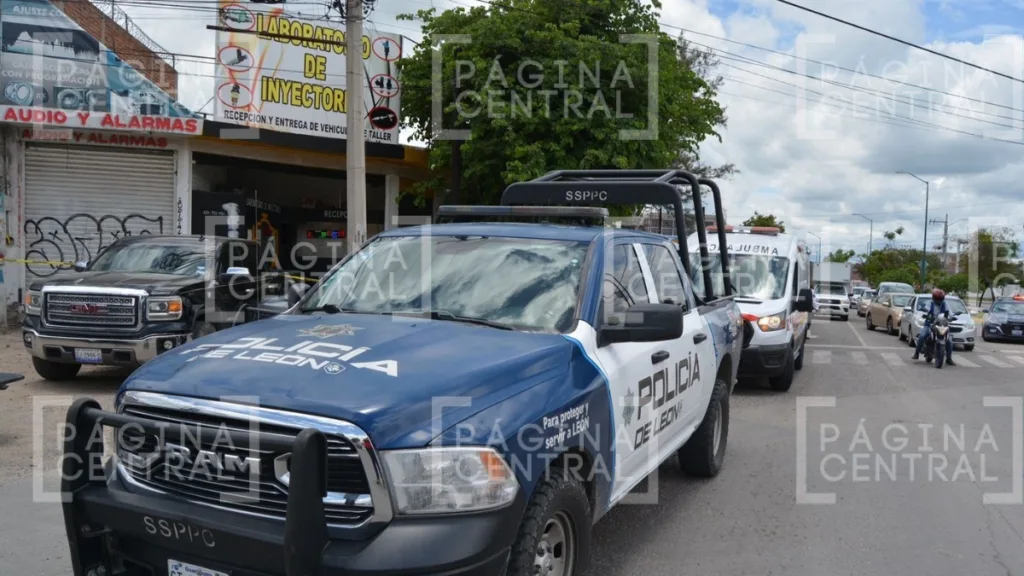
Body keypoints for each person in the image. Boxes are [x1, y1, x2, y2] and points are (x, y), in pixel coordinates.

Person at [912, 288, 955, 365]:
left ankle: (949, 358)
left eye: (940, 298)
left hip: (941, 325)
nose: (938, 300)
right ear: (933, 298)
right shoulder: (930, 303)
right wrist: (925, 313)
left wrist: (952, 317)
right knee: (922, 336)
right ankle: (917, 353)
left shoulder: (945, 304)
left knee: (949, 341)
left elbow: (950, 313)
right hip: (929, 323)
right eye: (937, 298)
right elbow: (926, 309)